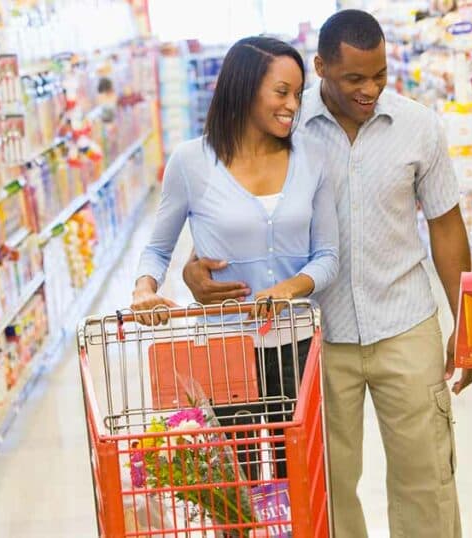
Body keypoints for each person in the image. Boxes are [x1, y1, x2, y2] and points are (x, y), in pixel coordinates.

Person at [182, 10, 472, 538]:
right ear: (320, 67)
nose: (371, 90)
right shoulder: (282, 129)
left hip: (405, 322)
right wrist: (191, 267)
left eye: (380, 75)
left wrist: (468, 322)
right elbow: (232, 215)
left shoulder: (418, 126)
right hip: (314, 338)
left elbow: (446, 227)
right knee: (326, 484)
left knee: (426, 477)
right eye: (354, 79)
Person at [131, 36, 339, 480]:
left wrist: (289, 288)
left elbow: (327, 256)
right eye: (281, 92)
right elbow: (158, 248)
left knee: (299, 481)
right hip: (226, 350)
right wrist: (145, 289)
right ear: (244, 89)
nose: (292, 106)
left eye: (298, 94)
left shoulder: (312, 158)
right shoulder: (192, 161)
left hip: (296, 346)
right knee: (236, 485)